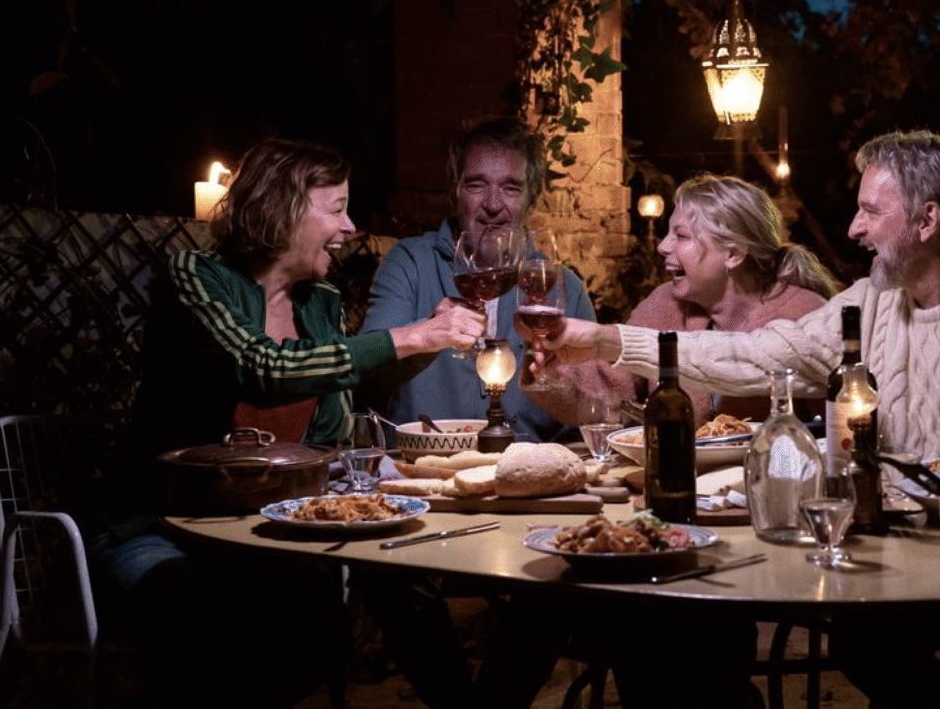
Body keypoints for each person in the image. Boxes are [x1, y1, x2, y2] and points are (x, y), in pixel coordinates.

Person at [532, 130, 940, 709]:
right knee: (861, 640)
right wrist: (603, 340)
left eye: (871, 211)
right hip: (911, 570)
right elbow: (755, 355)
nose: (853, 229)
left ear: (927, 221)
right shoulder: (871, 304)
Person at [90, 138, 484, 709]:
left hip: (264, 521)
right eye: (337, 208)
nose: (350, 227)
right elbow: (261, 369)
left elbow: (335, 418)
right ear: (283, 208)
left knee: (379, 584)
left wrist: (425, 342)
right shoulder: (195, 276)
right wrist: (411, 335)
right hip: (162, 521)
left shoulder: (318, 301)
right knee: (189, 617)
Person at [521, 172, 839, 426]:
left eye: (681, 236)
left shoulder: (805, 316)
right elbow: (607, 389)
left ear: (733, 253)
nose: (662, 247)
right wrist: (549, 371)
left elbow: (836, 426)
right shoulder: (666, 304)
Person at [358, 114, 597, 441]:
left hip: (528, 467)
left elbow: (594, 412)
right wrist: (426, 335)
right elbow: (366, 377)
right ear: (454, 191)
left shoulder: (561, 286)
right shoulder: (410, 263)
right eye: (476, 185)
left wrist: (555, 384)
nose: (493, 205)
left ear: (531, 200)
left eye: (511, 188)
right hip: (423, 463)